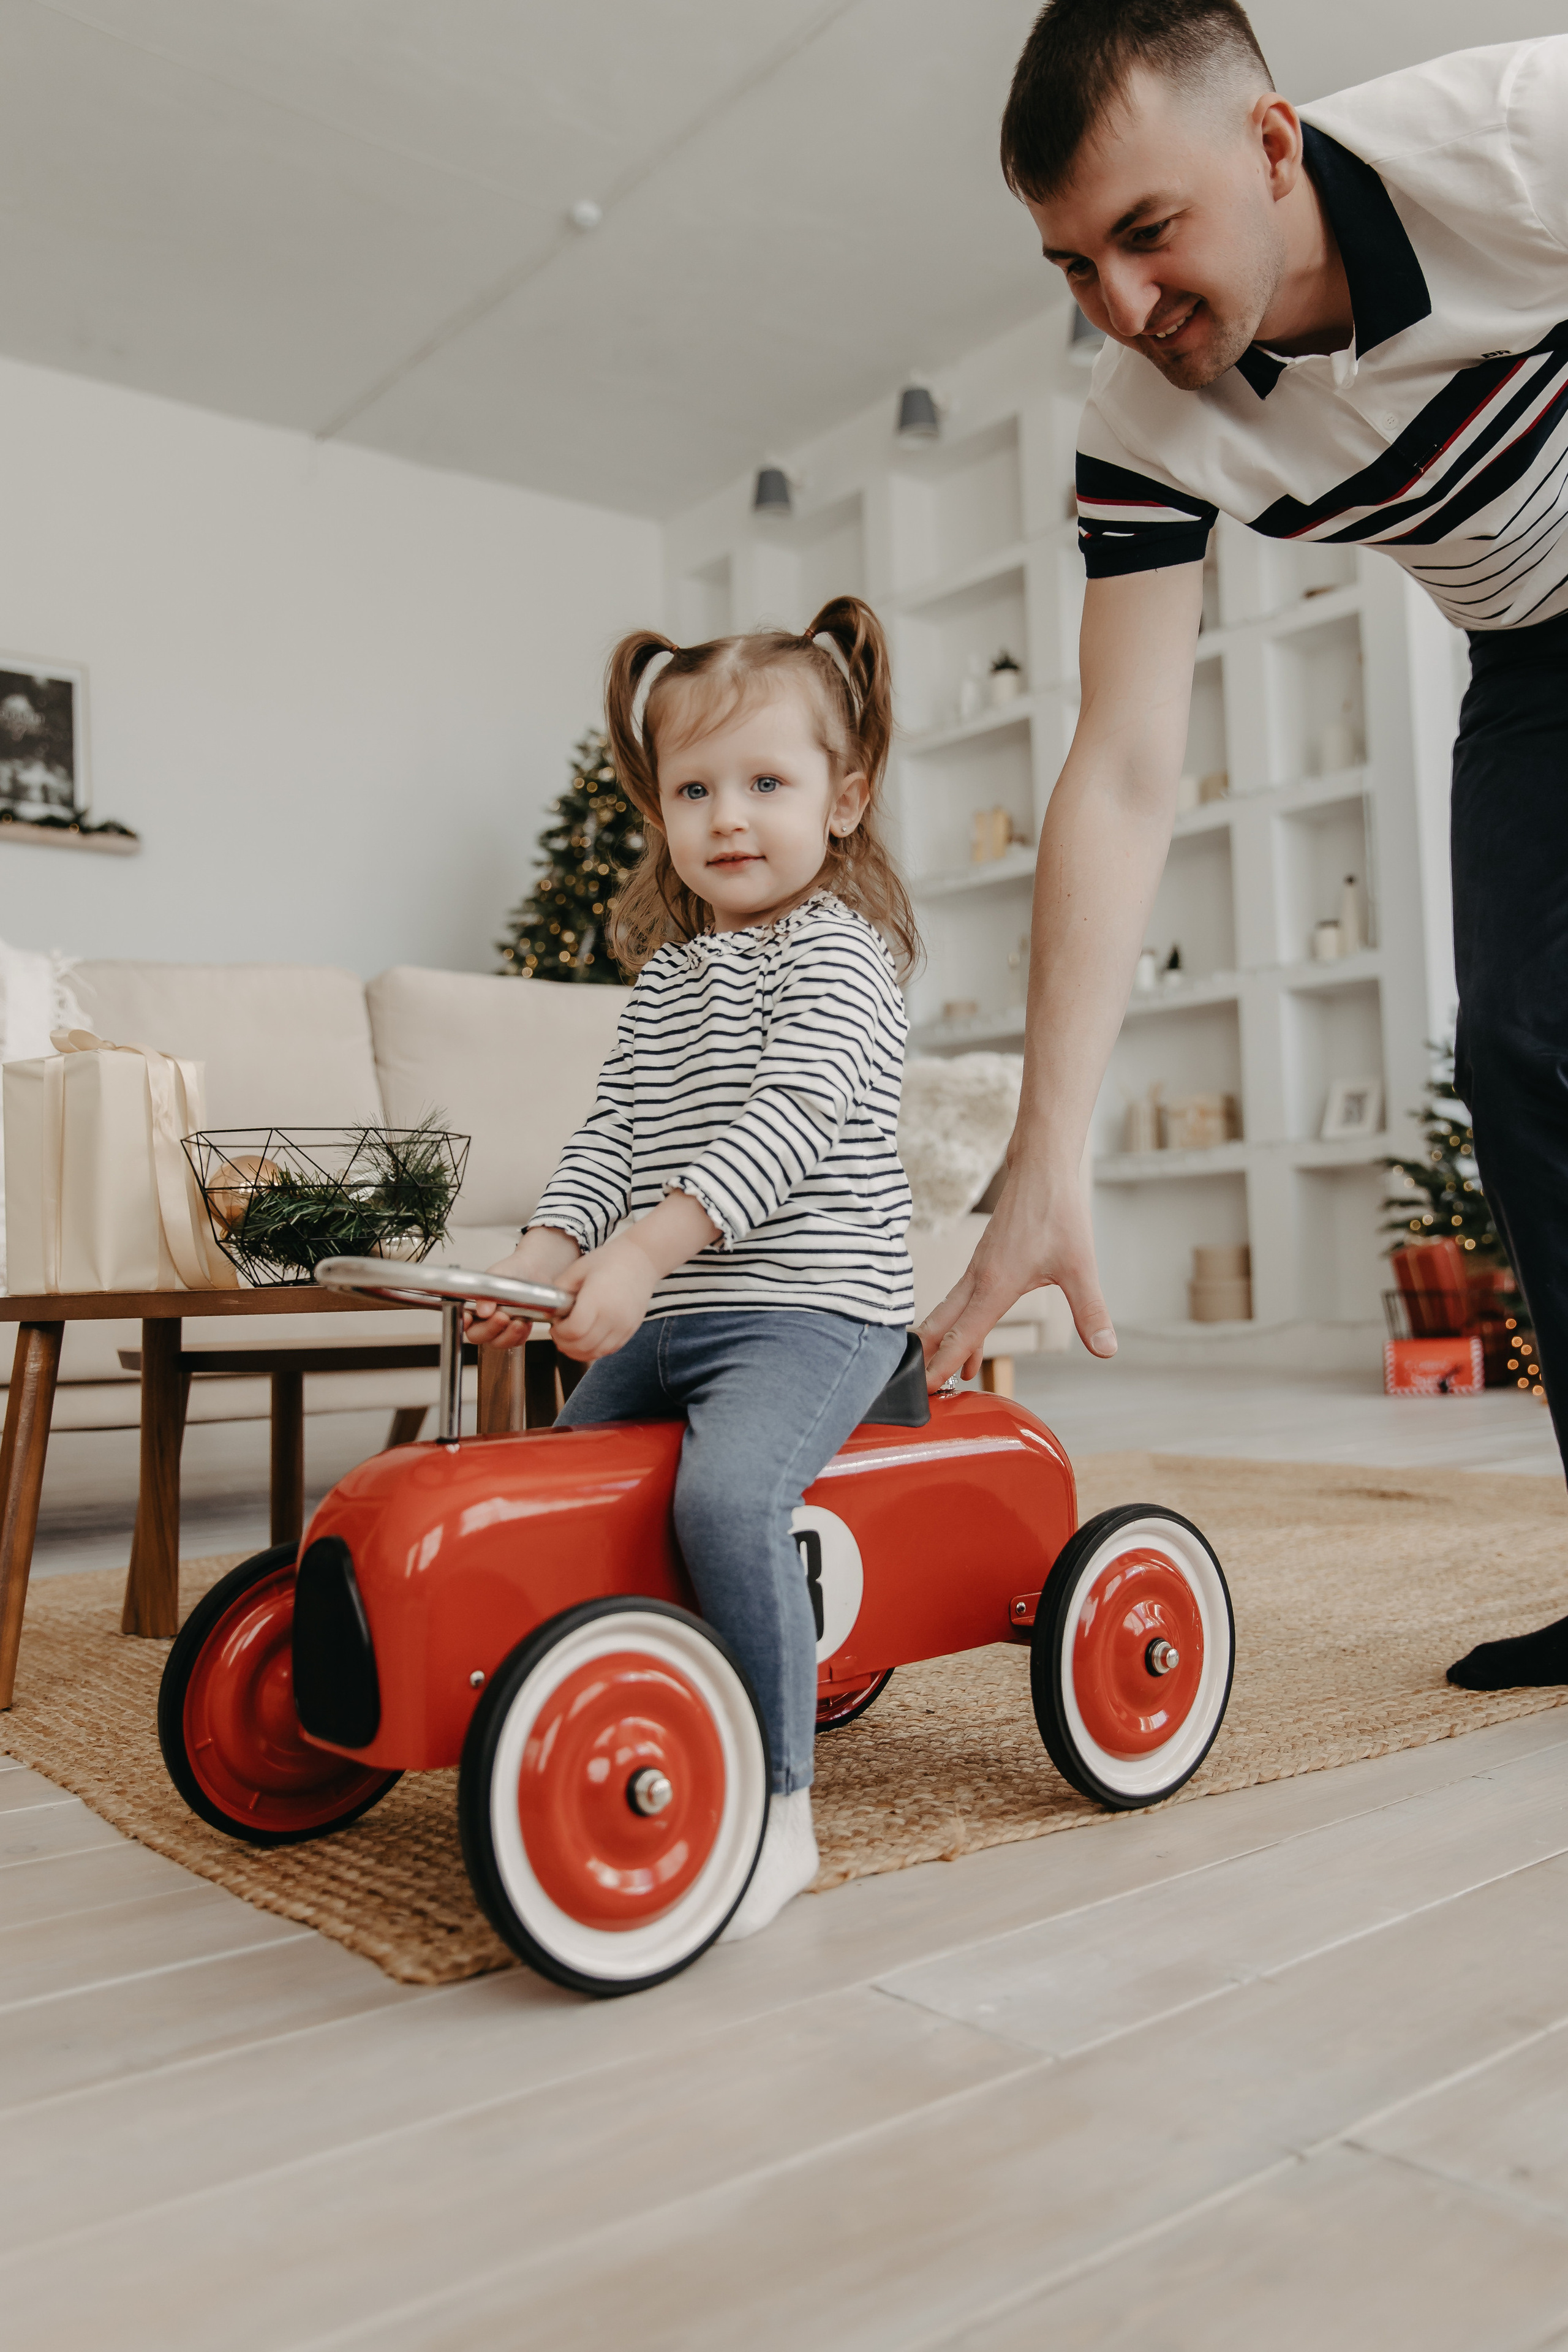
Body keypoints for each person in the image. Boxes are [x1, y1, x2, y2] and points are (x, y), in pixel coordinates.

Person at [919, 1, 1568, 1693]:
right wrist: (1046, 1160)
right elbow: (1125, 769)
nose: (1121, 311)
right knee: (1521, 1053)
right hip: (1534, 659)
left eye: (1148, 233)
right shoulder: (1142, 429)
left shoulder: (1523, 133)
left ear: (1272, 144)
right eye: (1072, 265)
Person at [468, 597, 918, 1939]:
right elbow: (611, 1134)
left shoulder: (843, 955)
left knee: (724, 1503)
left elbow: (788, 1119)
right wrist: (547, 1255)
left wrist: (644, 1254)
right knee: (556, 1486)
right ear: (657, 810)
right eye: (696, 789)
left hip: (814, 1314)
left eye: (766, 784)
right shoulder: (668, 979)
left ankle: (778, 1807)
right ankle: (570, 1707)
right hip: (681, 1312)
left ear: (842, 802)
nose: (729, 816)